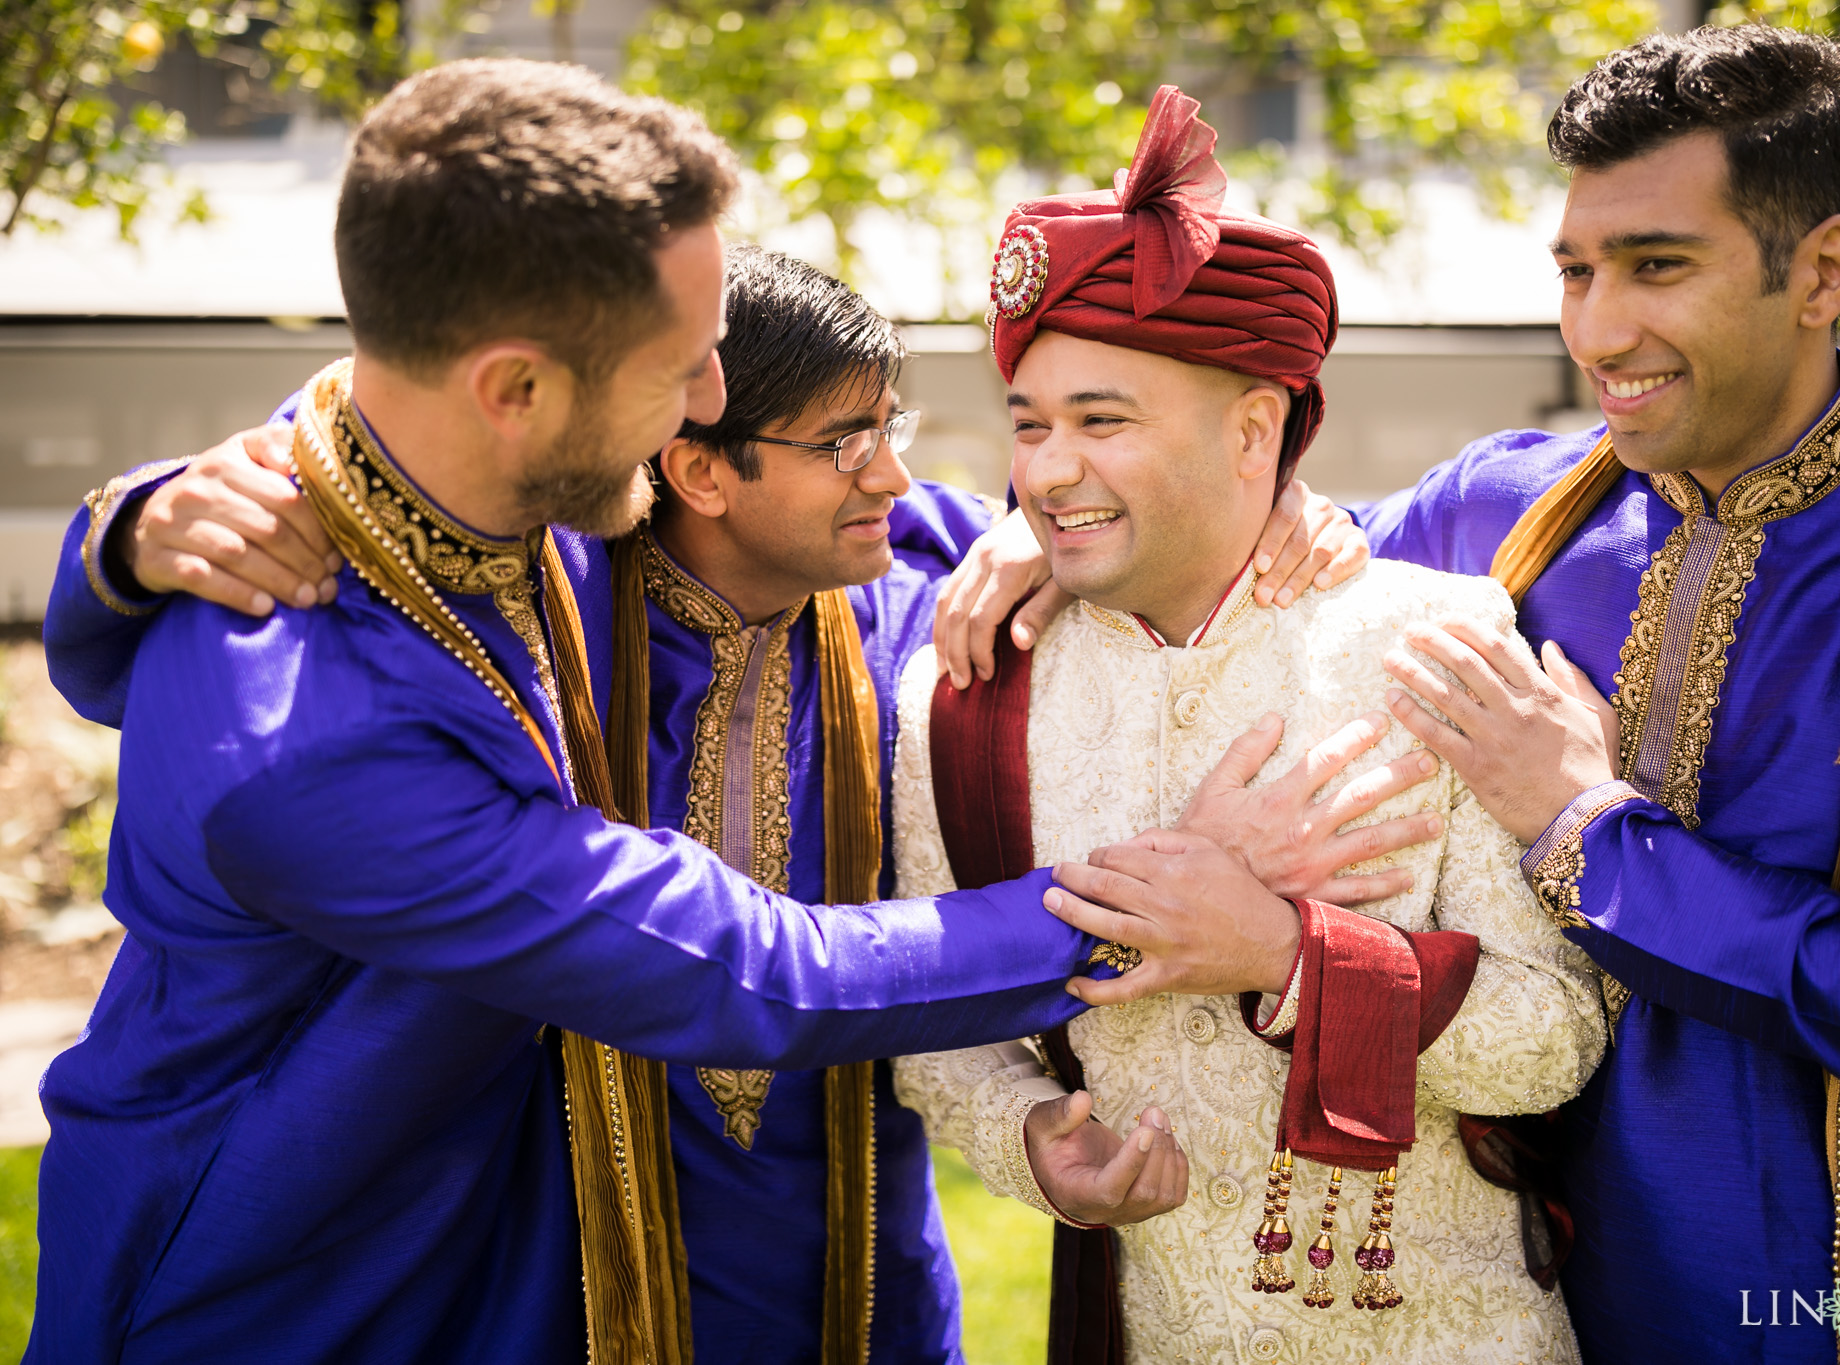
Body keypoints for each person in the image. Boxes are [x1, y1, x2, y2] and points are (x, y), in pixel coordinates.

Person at [25, 60, 1383, 1365]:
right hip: (292, 1283)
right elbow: (758, 974)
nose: (712, 400)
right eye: (680, 372)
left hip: (540, 1250)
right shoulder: (311, 742)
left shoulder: (462, 487)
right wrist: (1158, 905)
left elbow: (1044, 525)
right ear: (518, 391)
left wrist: (1188, 502)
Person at [1341, 28, 1840, 1365]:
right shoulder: (1503, 512)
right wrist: (1044, 537)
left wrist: (1583, 828)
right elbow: (1255, 564)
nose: (1601, 328)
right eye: (1577, 270)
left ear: (1823, 270)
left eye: (1658, 266)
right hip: (1537, 1302)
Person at [888, 87, 1607, 1365]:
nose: (1049, 471)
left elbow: (1550, 1043)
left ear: (1255, 429)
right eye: (1030, 425)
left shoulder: (1433, 643)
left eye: (1101, 422)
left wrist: (1284, 957)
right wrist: (1034, 1151)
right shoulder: (959, 694)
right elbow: (945, 1047)